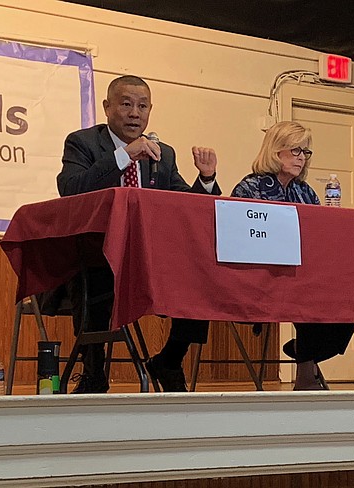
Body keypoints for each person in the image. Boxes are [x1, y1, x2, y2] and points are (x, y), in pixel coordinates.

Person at [57, 75, 222, 393]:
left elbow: (187, 206)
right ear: (107, 107)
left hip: (152, 257)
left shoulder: (163, 153)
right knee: (93, 279)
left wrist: (207, 179)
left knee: (199, 279)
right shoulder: (84, 143)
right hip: (100, 252)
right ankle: (93, 372)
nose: (135, 113)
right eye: (126, 104)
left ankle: (169, 361)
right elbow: (70, 189)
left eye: (142, 106)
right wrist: (124, 156)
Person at [231, 121, 354, 390]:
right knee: (307, 289)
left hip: (301, 275)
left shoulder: (305, 191)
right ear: (275, 151)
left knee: (351, 289)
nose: (301, 157)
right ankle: (305, 368)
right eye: (295, 150)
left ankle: (304, 353)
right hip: (261, 277)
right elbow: (240, 242)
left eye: (305, 152)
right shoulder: (250, 189)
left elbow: (320, 240)